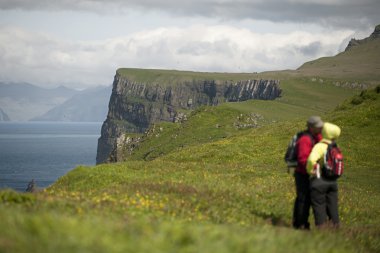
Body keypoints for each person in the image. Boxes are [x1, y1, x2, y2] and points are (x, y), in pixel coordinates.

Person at [307, 122, 341, 228]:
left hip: (319, 180)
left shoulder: (320, 146)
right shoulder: (336, 147)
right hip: (333, 182)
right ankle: (335, 228)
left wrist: (310, 171)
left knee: (319, 205)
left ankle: (322, 230)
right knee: (333, 206)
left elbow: (311, 160)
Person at [292, 116, 323, 229]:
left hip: (311, 172)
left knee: (308, 198)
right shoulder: (305, 139)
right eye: (318, 126)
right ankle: (300, 224)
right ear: (311, 127)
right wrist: (315, 167)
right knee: (303, 198)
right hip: (302, 173)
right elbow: (302, 159)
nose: (320, 127)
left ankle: (302, 222)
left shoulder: (317, 136)